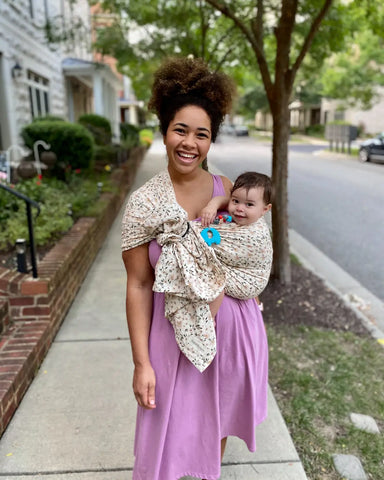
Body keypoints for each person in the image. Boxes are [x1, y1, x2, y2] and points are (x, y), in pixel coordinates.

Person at [121, 57, 269, 480]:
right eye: (180, 130)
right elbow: (138, 285)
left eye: (201, 134)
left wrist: (251, 299)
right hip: (170, 337)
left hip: (231, 332)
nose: (190, 142)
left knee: (214, 429)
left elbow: (251, 247)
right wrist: (141, 363)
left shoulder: (228, 190)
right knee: (164, 437)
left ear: (211, 141)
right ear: (165, 131)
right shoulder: (144, 204)